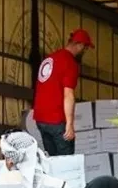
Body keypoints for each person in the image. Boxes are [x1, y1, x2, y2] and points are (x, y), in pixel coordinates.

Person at [32, 28, 94, 156]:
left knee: (52, 161)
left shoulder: (49, 59)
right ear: (79, 45)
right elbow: (68, 95)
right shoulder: (69, 62)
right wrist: (70, 124)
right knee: (67, 163)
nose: (84, 52)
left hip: (40, 119)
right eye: (85, 48)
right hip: (56, 119)